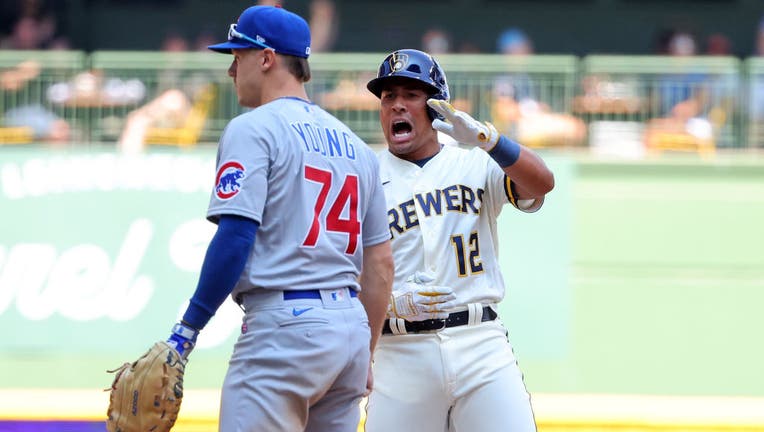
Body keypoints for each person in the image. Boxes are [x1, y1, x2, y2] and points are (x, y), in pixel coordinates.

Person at [162, 5, 393, 431]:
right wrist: (367, 352)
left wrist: (187, 331)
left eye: (238, 56)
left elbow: (235, 238)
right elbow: (380, 265)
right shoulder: (358, 148)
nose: (232, 70)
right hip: (350, 334)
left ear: (266, 58)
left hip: (285, 331)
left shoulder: (253, 128)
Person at [364, 48, 554, 431]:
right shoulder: (363, 178)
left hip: (479, 344)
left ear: (436, 107)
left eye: (411, 95)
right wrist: (390, 303)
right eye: (389, 97)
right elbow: (339, 270)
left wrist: (491, 141)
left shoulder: (475, 162)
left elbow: (542, 184)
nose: (398, 105)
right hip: (399, 352)